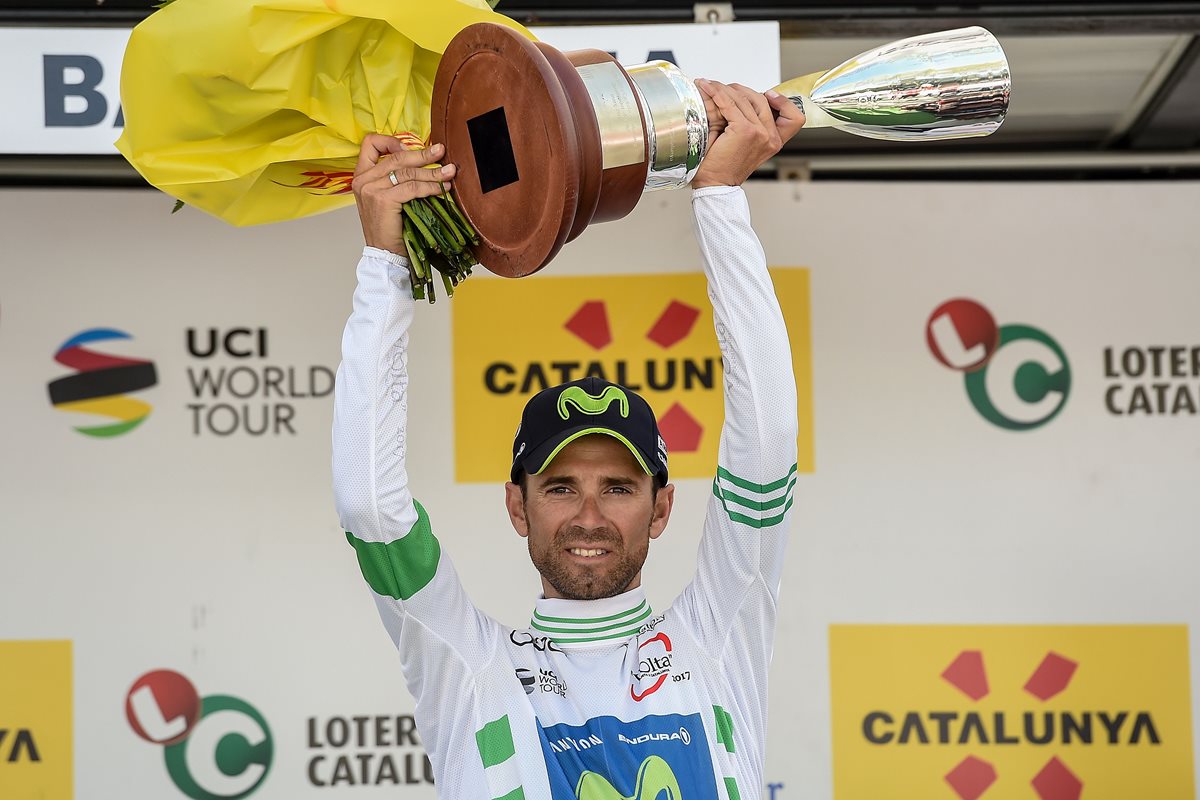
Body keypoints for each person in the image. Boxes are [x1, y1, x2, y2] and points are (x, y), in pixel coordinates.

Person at [334, 79, 805, 799]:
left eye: (619, 487)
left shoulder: (718, 636)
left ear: (662, 507)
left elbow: (766, 440)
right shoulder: (469, 664)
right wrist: (385, 266)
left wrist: (718, 197)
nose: (589, 516)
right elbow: (371, 509)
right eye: (560, 487)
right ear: (517, 507)